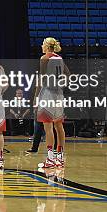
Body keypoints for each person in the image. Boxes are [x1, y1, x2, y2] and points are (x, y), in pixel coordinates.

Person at [36, 37, 69, 169]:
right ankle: (59, 157)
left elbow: (42, 78)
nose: (41, 46)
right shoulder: (59, 59)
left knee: (48, 127)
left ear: (47, 46)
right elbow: (67, 74)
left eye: (43, 44)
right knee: (59, 126)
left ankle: (50, 159)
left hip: (48, 93)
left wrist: (36, 96)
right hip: (58, 94)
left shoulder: (44, 58)